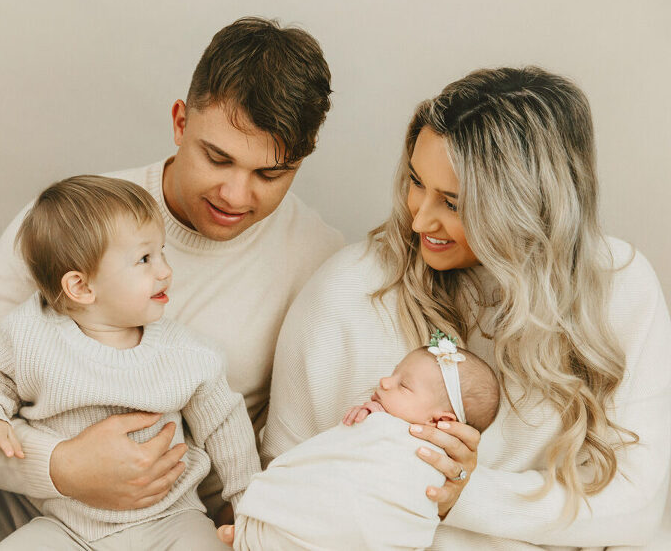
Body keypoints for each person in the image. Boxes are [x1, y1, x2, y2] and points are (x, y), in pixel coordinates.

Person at [0, 17, 343, 549]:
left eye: (269, 174)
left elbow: (298, 446)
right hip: (26, 505)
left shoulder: (320, 261)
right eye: (217, 157)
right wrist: (62, 468)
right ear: (181, 122)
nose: (234, 193)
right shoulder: (73, 225)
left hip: (171, 524)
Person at [252, 67, 671, 548]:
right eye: (415, 181)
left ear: (528, 208)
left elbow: (633, 506)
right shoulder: (346, 296)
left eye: (453, 202)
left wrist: (465, 495)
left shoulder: (619, 287)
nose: (418, 219)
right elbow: (286, 488)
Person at [0, 175, 260, 549]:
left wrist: (250, 504)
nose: (165, 270)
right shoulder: (31, 334)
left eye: (162, 252)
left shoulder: (187, 355)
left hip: (170, 520)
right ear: (82, 287)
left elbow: (226, 428)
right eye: (145, 259)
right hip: (67, 525)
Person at [232, 338, 500, 550]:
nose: (384, 382)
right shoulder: (376, 422)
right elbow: (335, 464)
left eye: (403, 385)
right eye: (393, 374)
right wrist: (361, 425)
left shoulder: (435, 456)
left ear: (439, 421)